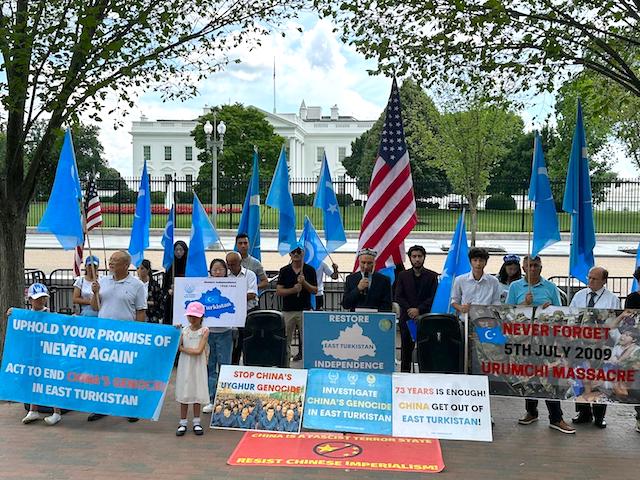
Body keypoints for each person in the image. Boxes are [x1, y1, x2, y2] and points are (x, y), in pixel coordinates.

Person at [506, 255, 573, 434]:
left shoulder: (551, 287)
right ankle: (531, 412)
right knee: (529, 377)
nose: (533, 269)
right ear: (524, 268)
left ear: (541, 268)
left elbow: (561, 313)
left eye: (536, 265)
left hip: (545, 342)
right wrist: (523, 304)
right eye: (529, 266)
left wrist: (550, 306)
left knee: (550, 377)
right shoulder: (515, 287)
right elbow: (507, 313)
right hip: (524, 341)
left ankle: (556, 417)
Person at [88, 250, 147, 422]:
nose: (111, 263)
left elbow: (140, 311)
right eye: (111, 260)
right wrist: (95, 293)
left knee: (128, 372)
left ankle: (131, 407)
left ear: (126, 265)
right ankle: (102, 406)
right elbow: (95, 307)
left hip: (126, 336)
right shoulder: (103, 281)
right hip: (104, 334)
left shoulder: (137, 285)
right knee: (103, 371)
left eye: (115, 261)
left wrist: (139, 336)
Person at [568, 266, 620, 429]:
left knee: (599, 380)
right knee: (581, 378)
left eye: (594, 279)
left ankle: (599, 416)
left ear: (604, 281)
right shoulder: (579, 295)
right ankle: (583, 412)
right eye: (589, 277)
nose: (590, 281)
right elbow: (571, 316)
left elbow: (615, 325)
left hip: (601, 346)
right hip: (580, 345)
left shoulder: (612, 299)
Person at [7, 283, 63, 426]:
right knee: (33, 380)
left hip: (48, 355)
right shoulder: (26, 315)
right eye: (37, 298)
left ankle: (57, 412)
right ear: (30, 299)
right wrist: (13, 313)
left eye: (43, 298)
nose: (41, 301)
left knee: (50, 381)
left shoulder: (51, 315)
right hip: (33, 354)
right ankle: (33, 409)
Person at [395, 245, 439, 372]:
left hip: (424, 319)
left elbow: (433, 297)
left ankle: (425, 375)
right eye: (414, 256)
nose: (417, 259)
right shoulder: (403, 275)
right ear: (410, 258)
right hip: (407, 319)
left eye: (420, 256)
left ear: (424, 258)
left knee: (425, 350)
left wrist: (419, 309)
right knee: (406, 352)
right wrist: (410, 309)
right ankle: (404, 377)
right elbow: (398, 296)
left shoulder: (432, 276)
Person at [276, 245, 318, 364]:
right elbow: (279, 291)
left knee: (307, 341)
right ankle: (285, 367)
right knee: (286, 341)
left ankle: (308, 367)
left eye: (298, 251)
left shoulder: (310, 270)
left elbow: (315, 290)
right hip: (288, 311)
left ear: (303, 253)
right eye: (293, 252)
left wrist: (304, 283)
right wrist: (293, 290)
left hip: (305, 310)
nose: (296, 254)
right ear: (289, 254)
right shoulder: (284, 270)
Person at [232, 233, 269, 364]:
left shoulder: (255, 263)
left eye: (245, 243)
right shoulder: (230, 262)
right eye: (240, 243)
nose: (243, 245)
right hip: (234, 310)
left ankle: (251, 363)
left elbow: (265, 281)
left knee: (251, 338)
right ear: (236, 245)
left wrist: (251, 287)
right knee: (236, 342)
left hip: (251, 308)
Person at [175, 301, 210, 436]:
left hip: (198, 365)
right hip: (185, 364)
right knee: (185, 391)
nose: (192, 319)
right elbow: (178, 345)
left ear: (201, 316)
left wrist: (183, 349)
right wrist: (177, 332)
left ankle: (196, 421)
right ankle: (182, 422)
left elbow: (199, 350)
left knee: (197, 391)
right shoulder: (184, 330)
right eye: (190, 316)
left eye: (195, 316)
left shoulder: (205, 331)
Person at [204, 259, 234, 412]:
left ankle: (225, 400)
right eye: (214, 269)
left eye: (220, 269)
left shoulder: (232, 286)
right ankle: (211, 399)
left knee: (225, 366)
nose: (217, 272)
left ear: (225, 271)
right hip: (208, 333)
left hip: (225, 332)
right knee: (210, 366)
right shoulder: (204, 285)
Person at [451, 247, 502, 315]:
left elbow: (496, 302)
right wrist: (461, 308)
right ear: (470, 262)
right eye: (475, 260)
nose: (478, 263)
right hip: (466, 319)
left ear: (485, 262)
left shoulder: (493, 281)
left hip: (487, 320)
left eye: (481, 260)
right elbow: (454, 301)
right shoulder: (460, 280)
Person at [162, 240, 188, 325]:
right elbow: (165, 285)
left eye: (181, 250)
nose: (178, 252)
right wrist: (169, 290)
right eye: (176, 250)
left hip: (186, 299)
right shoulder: (170, 266)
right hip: (172, 300)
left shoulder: (188, 266)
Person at [137, 259, 164, 323]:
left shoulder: (154, 285)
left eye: (142, 268)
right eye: (138, 268)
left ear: (148, 270)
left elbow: (159, 301)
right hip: (138, 316)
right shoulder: (135, 284)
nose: (139, 271)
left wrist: (146, 303)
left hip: (151, 316)